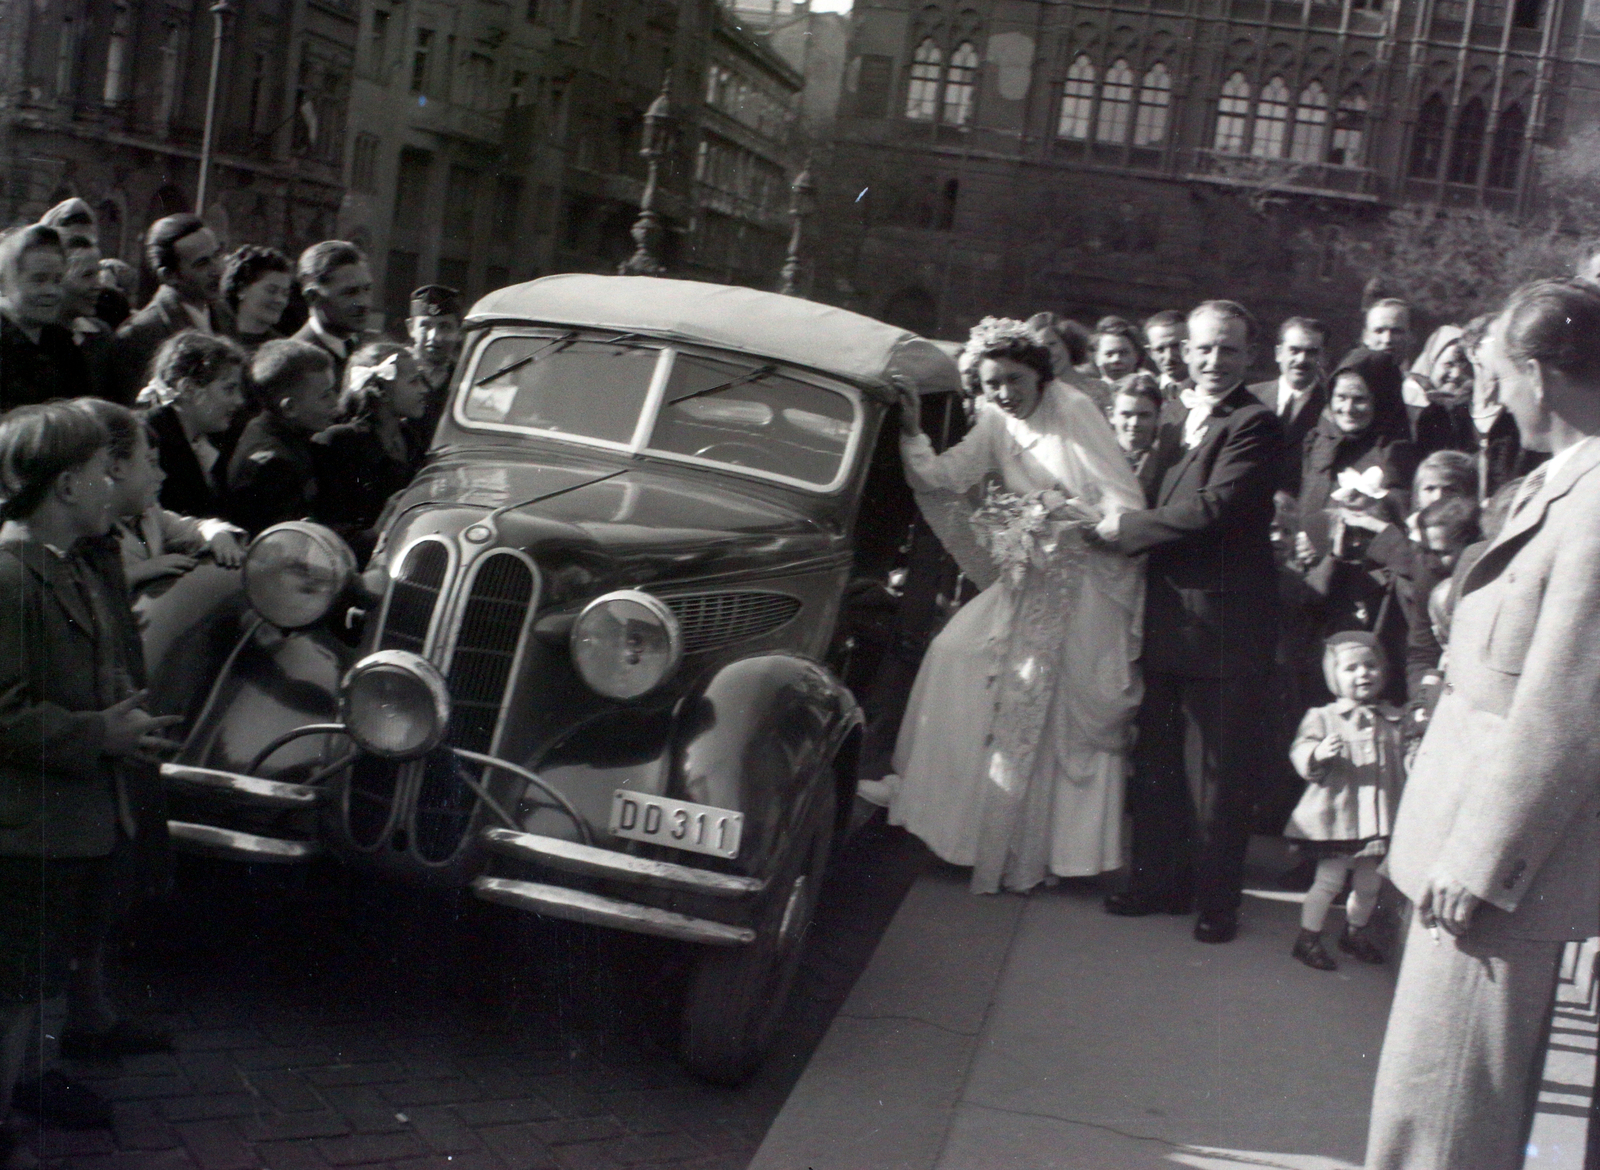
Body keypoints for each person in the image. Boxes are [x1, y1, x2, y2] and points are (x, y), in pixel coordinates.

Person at [1366, 278, 1600, 1170]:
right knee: (1436, 1100)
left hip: (1497, 872)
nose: (1490, 396)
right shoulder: (1562, 479)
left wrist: (1483, 857)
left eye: (1498, 374)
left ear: (1540, 375)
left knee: (1448, 1115)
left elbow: (1567, 706)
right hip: (1466, 838)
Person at [874, 317, 1146, 894]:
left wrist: (1068, 521)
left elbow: (1124, 505)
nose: (1004, 392)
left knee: (1056, 713)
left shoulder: (1074, 410)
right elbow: (943, 476)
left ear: (1040, 375)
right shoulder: (996, 420)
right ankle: (962, 827)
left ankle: (1053, 852)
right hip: (1031, 579)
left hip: (1086, 586)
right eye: (992, 382)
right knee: (953, 654)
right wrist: (913, 431)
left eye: (1015, 379)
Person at [0, 402, 183, 1153]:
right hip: (24, 824)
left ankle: (23, 1087)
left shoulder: (63, 565)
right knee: (14, 983)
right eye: (105, 472)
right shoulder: (12, 578)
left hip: (63, 818)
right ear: (69, 486)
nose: (117, 485)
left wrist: (120, 729)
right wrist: (98, 734)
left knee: (36, 976)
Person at [1093, 300, 1284, 943]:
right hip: (1167, 615)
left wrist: (1126, 530)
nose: (1213, 360)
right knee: (1158, 761)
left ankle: (1217, 902)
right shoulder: (1172, 415)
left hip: (1225, 626)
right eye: (1203, 348)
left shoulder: (1255, 423)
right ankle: (1158, 882)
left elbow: (1216, 508)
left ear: (1249, 356)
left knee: (1220, 774)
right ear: (1185, 352)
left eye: (1228, 349)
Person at [1284, 633, 1405, 971]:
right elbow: (1300, 749)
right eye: (1351, 668)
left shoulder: (1393, 719)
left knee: (1369, 885)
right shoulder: (1323, 717)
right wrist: (1317, 752)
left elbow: (1407, 760)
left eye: (1371, 665)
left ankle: (1354, 932)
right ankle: (1308, 937)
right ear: (1333, 676)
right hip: (1340, 818)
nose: (1363, 673)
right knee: (1329, 881)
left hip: (1379, 821)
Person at [81, 399, 245, 603]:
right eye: (150, 463)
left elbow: (193, 528)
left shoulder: (149, 514)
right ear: (117, 468)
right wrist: (139, 572)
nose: (161, 475)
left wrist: (218, 535)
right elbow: (83, 595)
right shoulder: (87, 530)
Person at [313, 342, 429, 555]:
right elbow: (329, 532)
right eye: (414, 381)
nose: (424, 389)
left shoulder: (408, 436)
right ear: (382, 392)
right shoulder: (340, 443)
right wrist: (377, 530)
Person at [106, 215, 233, 406]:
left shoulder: (225, 316)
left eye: (217, 256)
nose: (217, 270)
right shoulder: (139, 334)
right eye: (202, 263)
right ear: (169, 276)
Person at [225, 339, 339, 534]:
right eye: (325, 395)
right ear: (290, 408)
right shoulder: (274, 464)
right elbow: (297, 540)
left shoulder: (276, 431)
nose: (335, 402)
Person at [138, 331, 248, 520]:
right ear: (188, 389)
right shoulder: (149, 442)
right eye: (229, 389)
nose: (239, 400)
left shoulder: (214, 437)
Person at [1296, 355, 1418, 521]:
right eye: (1341, 397)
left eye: (1359, 399)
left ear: (1380, 402)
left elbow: (1399, 517)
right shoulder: (1319, 441)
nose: (1348, 409)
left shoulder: (1394, 453)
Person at [0, 225, 88, 412]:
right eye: (38, 280)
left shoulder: (62, 343)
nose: (51, 291)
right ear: (3, 283)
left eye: (57, 280)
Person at [1249, 317, 1329, 495]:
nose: (1301, 360)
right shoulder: (1250, 397)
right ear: (1279, 353)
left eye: (1311, 352)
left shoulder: (1330, 407)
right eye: (1294, 350)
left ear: (1322, 357)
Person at [289, 240, 373, 390]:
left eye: (366, 289)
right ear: (312, 297)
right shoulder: (294, 361)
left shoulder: (367, 350)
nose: (363, 303)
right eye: (349, 293)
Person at [1109, 372, 1177, 506]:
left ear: (1158, 416)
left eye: (1144, 415)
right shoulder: (1099, 453)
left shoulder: (1169, 460)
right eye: (1126, 414)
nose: (1134, 423)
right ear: (1111, 415)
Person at [408, 284, 463, 442]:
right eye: (425, 326)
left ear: (460, 332)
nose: (435, 337)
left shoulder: (463, 378)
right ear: (411, 328)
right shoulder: (393, 372)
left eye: (445, 327)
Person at [221, 245, 293, 350]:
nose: (280, 300)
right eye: (271, 290)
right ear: (242, 289)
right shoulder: (217, 340)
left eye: (285, 294)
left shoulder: (284, 349)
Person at [1088, 315, 1146, 401]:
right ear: (1096, 358)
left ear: (1136, 356)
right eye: (1109, 354)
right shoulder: (1087, 396)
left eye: (1123, 353)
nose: (1116, 359)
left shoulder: (1149, 392)